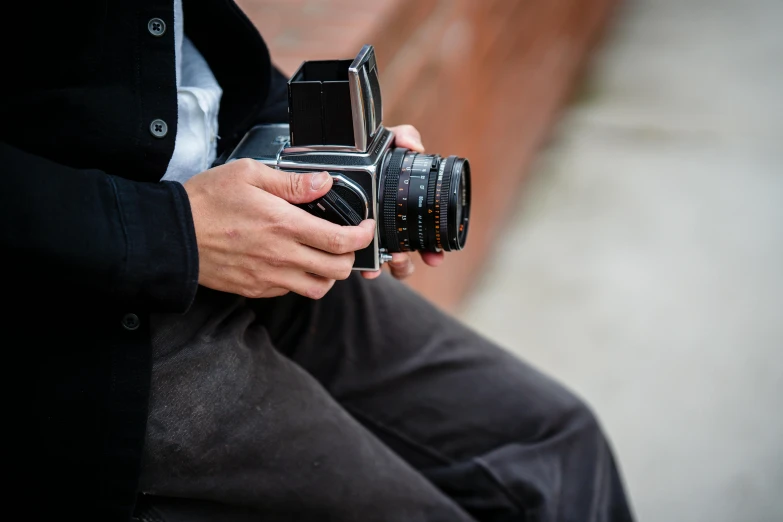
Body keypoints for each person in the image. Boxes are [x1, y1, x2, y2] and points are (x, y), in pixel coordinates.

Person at [1, 1, 635, 521]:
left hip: (259, 214)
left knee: (554, 443)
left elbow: (162, 45)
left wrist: (330, 145)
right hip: (87, 315)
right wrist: (171, 231)